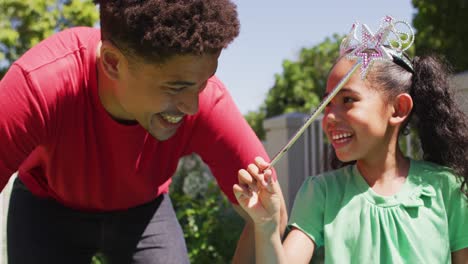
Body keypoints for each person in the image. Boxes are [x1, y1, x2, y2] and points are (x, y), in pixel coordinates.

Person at [0, 1, 287, 263]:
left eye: (203, 82)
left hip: (144, 210)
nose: (192, 106)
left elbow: (271, 214)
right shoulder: (40, 84)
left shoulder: (208, 103)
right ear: (113, 63)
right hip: (47, 206)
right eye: (176, 87)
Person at [233, 17, 468, 263]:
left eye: (347, 101)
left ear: (398, 108)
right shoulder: (320, 193)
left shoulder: (446, 188)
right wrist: (267, 226)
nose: (330, 117)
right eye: (327, 104)